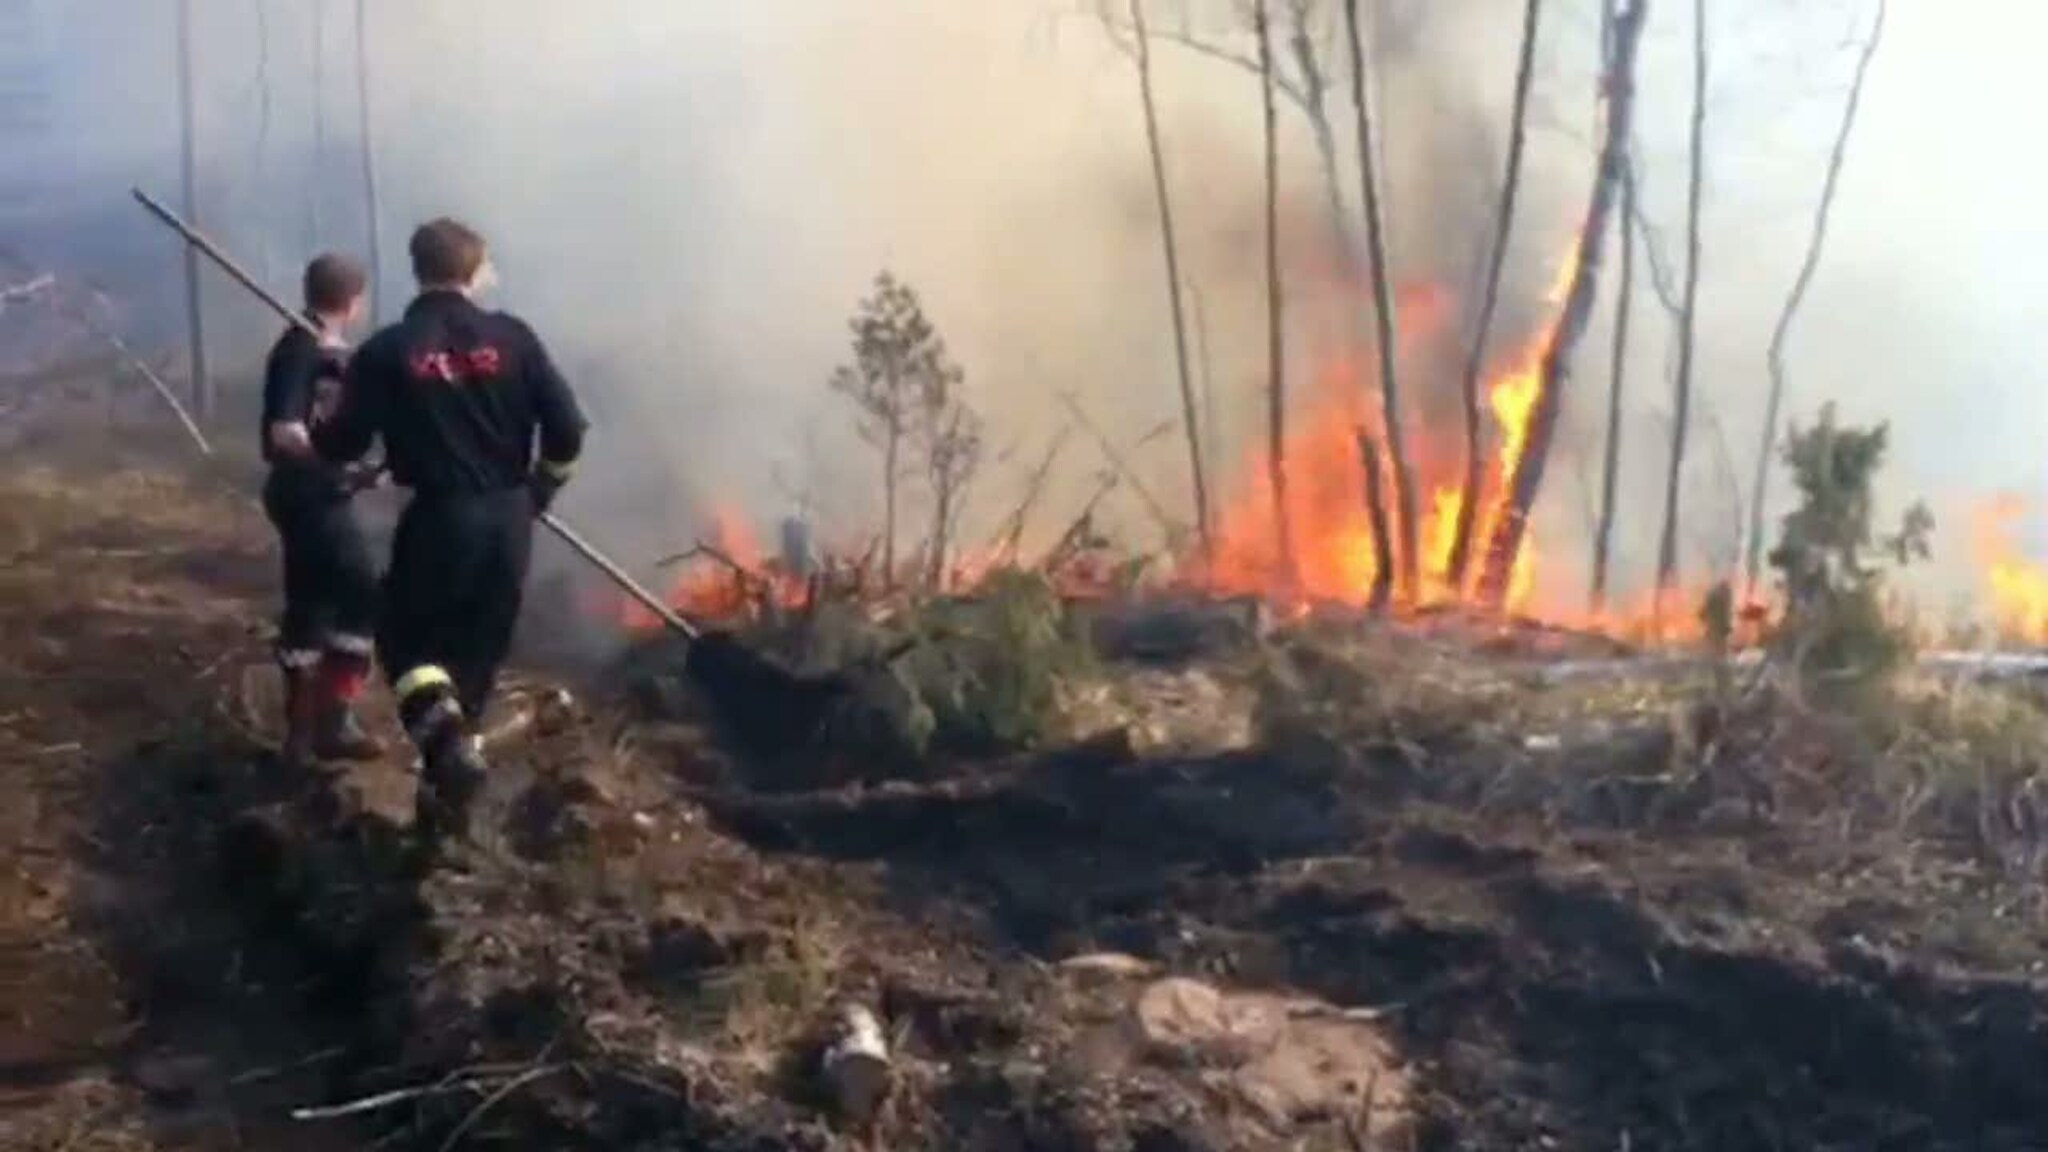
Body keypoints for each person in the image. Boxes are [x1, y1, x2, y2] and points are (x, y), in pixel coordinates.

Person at [314, 217, 586, 847]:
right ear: (475, 269)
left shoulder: (387, 350)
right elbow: (568, 431)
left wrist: (320, 431)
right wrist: (538, 493)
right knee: (474, 669)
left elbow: (345, 441)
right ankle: (444, 828)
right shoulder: (515, 338)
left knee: (407, 643)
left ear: (417, 269)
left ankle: (447, 761)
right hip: (511, 523)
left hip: (442, 519)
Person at [260, 253, 383, 767]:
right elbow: (284, 431)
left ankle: (305, 735)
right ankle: (330, 723)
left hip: (311, 491)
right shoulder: (299, 349)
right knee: (360, 590)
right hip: (309, 492)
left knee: (313, 602)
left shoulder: (321, 350)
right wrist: (338, 464)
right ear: (355, 301)